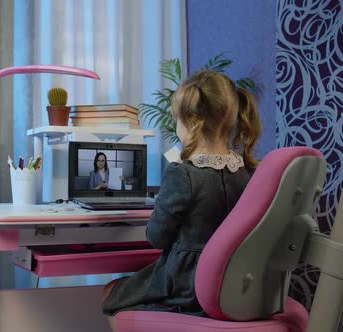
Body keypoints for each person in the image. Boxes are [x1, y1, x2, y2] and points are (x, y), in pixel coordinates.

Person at [101, 69, 262, 328]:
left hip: (188, 285)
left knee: (112, 293)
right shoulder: (245, 172)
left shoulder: (182, 173)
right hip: (234, 286)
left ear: (190, 123)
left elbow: (157, 238)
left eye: (177, 119)